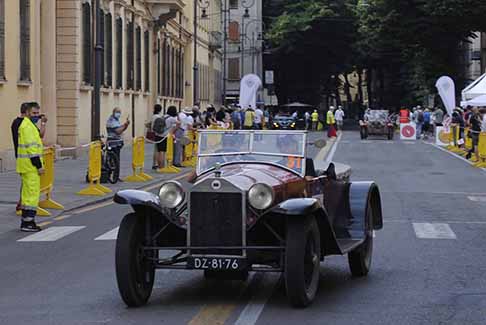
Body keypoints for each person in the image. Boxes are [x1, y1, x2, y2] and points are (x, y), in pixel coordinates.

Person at [12, 103, 44, 232]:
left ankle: (26, 221)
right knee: (32, 194)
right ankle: (28, 222)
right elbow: (32, 149)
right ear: (27, 112)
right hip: (30, 166)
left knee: (26, 194)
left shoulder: (27, 125)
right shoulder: (27, 127)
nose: (36, 116)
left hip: (25, 165)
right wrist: (39, 165)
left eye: (37, 113)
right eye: (34, 113)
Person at [106, 107, 129, 180]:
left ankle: (116, 177)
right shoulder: (111, 121)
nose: (119, 114)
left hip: (117, 143)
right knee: (113, 161)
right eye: (117, 112)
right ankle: (110, 176)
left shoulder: (116, 120)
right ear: (113, 112)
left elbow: (120, 128)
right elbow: (118, 131)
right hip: (113, 143)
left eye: (119, 112)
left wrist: (125, 125)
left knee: (116, 160)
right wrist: (125, 125)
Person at [151, 104, 166, 170]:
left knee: (156, 150)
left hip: (154, 133)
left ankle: (154, 163)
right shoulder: (160, 117)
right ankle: (161, 165)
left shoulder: (153, 116)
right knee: (161, 151)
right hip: (160, 134)